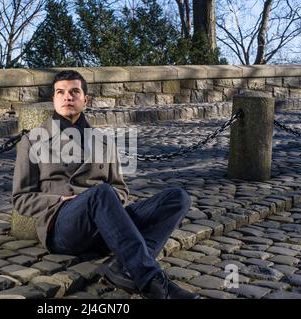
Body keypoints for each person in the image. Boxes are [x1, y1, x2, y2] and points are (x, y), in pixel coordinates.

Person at [12, 70, 198, 299]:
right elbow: (21, 198)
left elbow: (120, 188)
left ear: (85, 99)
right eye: (60, 92)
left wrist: (111, 203)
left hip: (106, 225)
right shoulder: (33, 140)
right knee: (100, 192)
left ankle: (123, 266)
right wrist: (61, 200)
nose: (67, 97)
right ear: (53, 99)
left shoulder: (104, 141)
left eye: (74, 91)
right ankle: (153, 282)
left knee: (178, 198)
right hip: (64, 226)